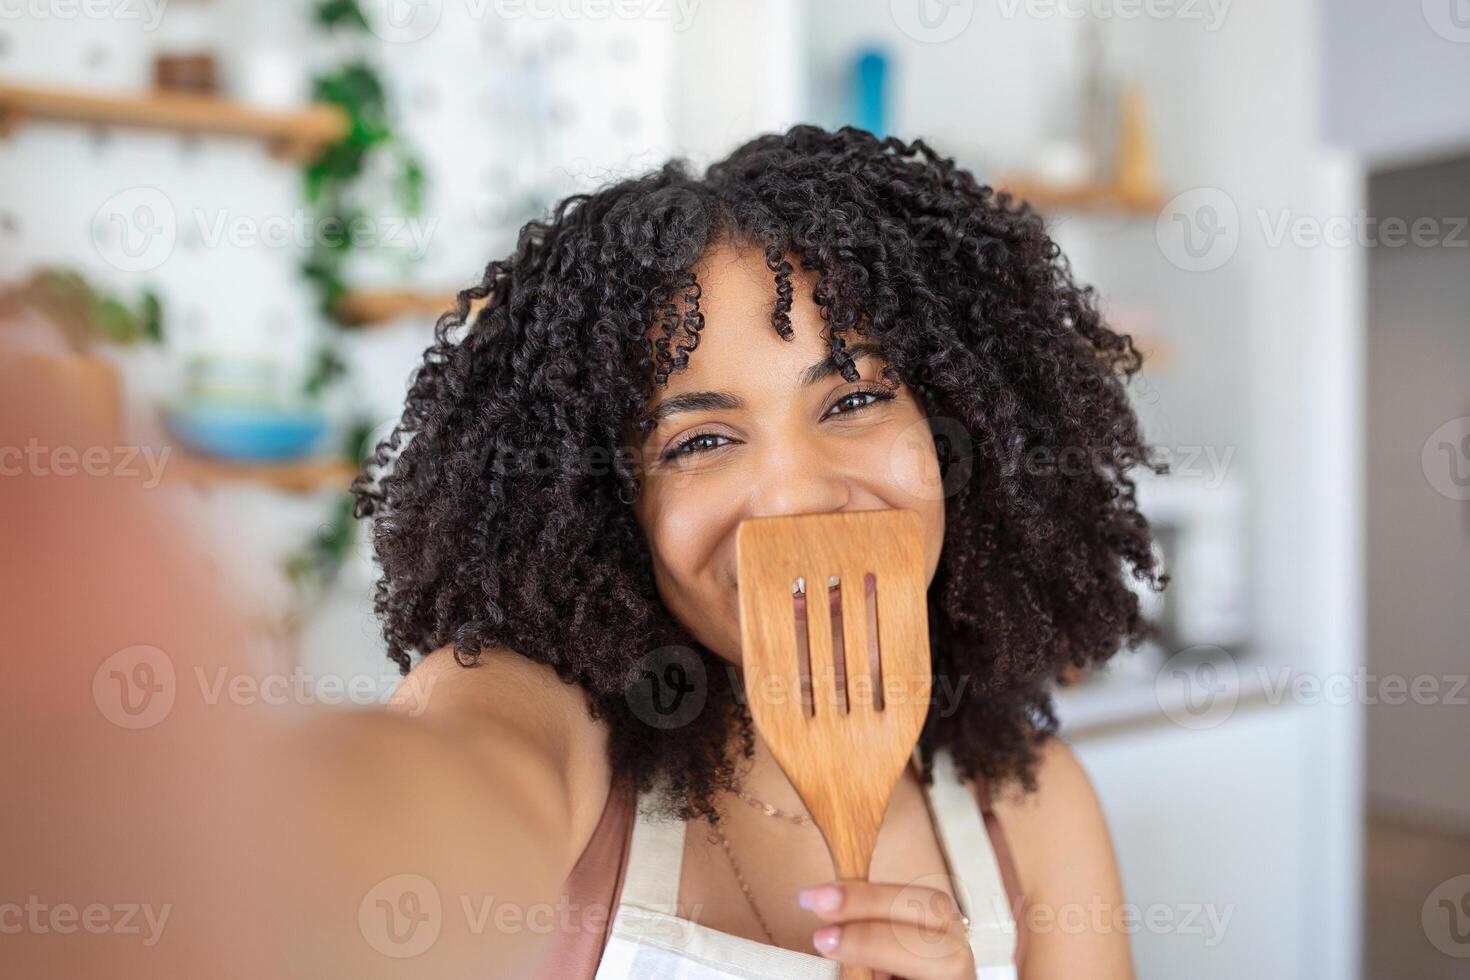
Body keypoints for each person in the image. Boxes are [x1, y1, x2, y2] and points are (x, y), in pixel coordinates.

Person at [3, 125, 1162, 979]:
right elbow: (413, 817)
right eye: (702, 435)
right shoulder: (546, 727)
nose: (796, 491)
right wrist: (156, 837)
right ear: (608, 498)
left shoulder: (1033, 810)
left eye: (853, 398)